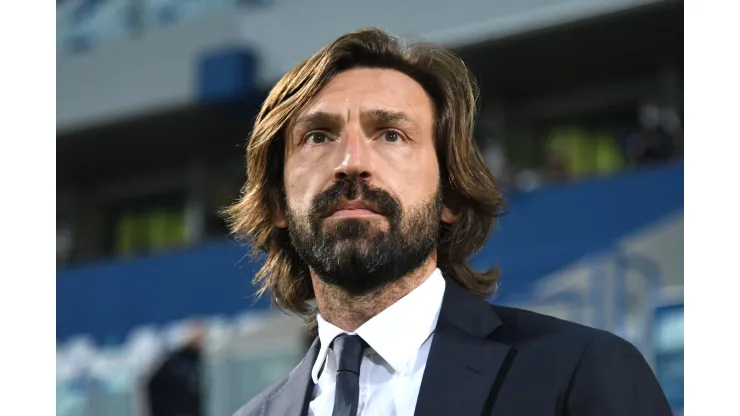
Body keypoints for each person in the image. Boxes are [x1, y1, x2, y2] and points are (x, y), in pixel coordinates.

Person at [225, 28, 672, 416]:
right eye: (318, 136)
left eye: (391, 134)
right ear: (279, 202)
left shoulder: (581, 373)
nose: (351, 161)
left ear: (451, 196)